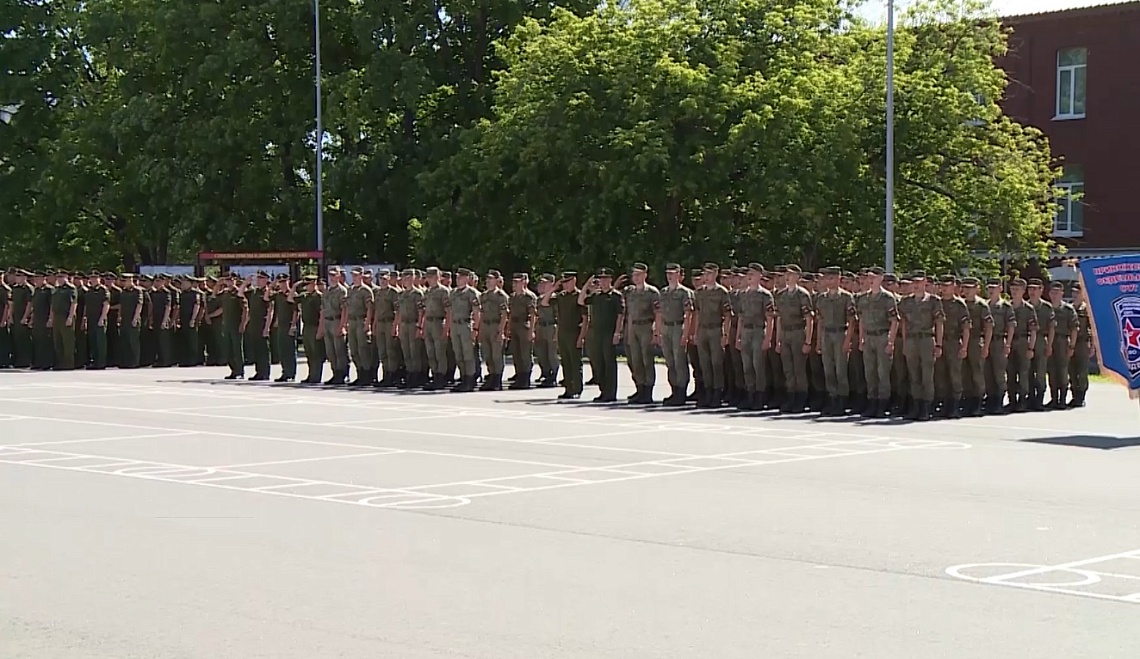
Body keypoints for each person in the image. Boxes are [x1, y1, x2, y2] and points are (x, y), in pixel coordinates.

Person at [898, 270, 944, 421]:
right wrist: (905, 342)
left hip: (926, 340)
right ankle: (916, 406)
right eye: (914, 282)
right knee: (914, 375)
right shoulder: (906, 301)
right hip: (911, 340)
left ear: (925, 282)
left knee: (927, 376)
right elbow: (903, 323)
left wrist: (938, 344)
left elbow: (939, 323)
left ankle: (926, 407)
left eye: (919, 282)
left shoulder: (933, 301)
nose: (916, 285)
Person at [857, 267, 900, 418]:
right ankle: (872, 402)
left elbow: (894, 321)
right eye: (869, 277)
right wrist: (861, 338)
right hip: (869, 337)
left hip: (882, 336)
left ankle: (882, 404)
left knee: (882, 373)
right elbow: (861, 320)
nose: (870, 280)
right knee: (870, 372)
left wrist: (891, 342)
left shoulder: (887, 298)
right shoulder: (863, 298)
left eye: (874, 277)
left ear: (881, 278)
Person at [814, 266, 857, 416]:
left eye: (832, 278)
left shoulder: (846, 297)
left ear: (839, 279)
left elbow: (852, 321)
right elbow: (820, 321)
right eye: (827, 278)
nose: (829, 281)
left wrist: (847, 340)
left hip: (840, 334)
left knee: (840, 370)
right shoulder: (821, 298)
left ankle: (842, 401)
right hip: (826, 334)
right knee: (828, 370)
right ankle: (832, 399)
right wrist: (819, 341)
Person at [774, 265, 814, 413]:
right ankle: (791, 396)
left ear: (797, 277)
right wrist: (778, 340)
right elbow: (779, 318)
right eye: (786, 274)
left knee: (799, 369)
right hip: (785, 333)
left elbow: (809, 319)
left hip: (798, 333)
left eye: (790, 275)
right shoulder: (781, 295)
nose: (787, 277)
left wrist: (807, 341)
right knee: (788, 369)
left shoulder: (802, 295)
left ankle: (801, 399)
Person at [580, 268, 624, 402]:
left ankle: (610, 393)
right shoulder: (596, 295)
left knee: (609, 362)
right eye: (601, 279)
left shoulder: (616, 295)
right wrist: (586, 285)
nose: (603, 282)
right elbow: (581, 301)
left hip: (609, 332)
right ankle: (603, 390)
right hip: (597, 333)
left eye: (606, 279)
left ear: (610, 280)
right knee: (599, 362)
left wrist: (617, 332)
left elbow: (620, 315)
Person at [736, 263, 775, 410]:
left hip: (758, 331)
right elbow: (740, 317)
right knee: (747, 366)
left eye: (752, 274)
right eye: (748, 274)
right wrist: (738, 336)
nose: (749, 277)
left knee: (758, 366)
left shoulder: (765, 295)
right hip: (746, 331)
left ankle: (760, 396)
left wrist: (768, 339)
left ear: (760, 276)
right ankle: (750, 394)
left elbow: (770, 319)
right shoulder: (743, 294)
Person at [623, 263, 661, 404]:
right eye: (634, 275)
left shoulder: (652, 292)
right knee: (635, 360)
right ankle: (640, 389)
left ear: (645, 275)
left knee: (647, 359)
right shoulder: (630, 293)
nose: (636, 277)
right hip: (634, 327)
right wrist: (628, 333)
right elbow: (629, 314)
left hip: (646, 326)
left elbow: (658, 313)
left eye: (639, 275)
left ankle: (648, 391)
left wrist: (656, 332)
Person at [933, 275, 970, 418]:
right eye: (942, 285)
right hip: (940, 342)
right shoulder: (937, 302)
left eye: (947, 285)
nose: (944, 288)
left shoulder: (959, 304)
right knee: (941, 375)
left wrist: (964, 347)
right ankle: (945, 405)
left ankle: (955, 406)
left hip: (954, 342)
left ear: (954, 286)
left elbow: (966, 327)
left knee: (955, 375)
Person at [658, 263, 695, 406]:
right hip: (666, 327)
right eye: (668, 273)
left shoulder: (684, 293)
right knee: (670, 361)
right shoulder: (664, 292)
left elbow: (688, 314)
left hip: (678, 327)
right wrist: (659, 331)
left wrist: (685, 334)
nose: (669, 276)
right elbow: (660, 313)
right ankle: (674, 390)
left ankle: (681, 391)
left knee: (679, 360)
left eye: (672, 273)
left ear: (679, 274)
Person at [547, 272, 585, 400]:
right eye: (563, 283)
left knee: (575, 362)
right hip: (563, 332)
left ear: (574, 281)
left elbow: (586, 318)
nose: (565, 285)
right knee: (566, 362)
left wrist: (581, 337)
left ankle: (577, 389)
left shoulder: (579, 295)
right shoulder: (561, 296)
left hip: (574, 332)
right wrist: (553, 288)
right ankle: (568, 388)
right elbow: (545, 302)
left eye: (567, 282)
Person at [959, 277, 993, 417]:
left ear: (976, 289)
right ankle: (968, 402)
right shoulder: (960, 303)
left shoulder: (981, 305)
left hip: (975, 341)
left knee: (977, 373)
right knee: (965, 374)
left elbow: (988, 327)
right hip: (961, 341)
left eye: (970, 288)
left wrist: (986, 346)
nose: (967, 291)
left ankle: (978, 403)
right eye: (965, 288)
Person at [983, 277, 1015, 414]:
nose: (991, 290)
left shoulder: (1005, 306)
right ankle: (991, 399)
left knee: (999, 373)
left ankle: (999, 401)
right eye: (989, 287)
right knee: (987, 373)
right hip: (986, 341)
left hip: (999, 341)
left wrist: (1008, 344)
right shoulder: (984, 305)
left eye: (994, 287)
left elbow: (1011, 326)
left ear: (1000, 289)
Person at [447, 267, 481, 392]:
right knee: (458, 354)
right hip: (455, 325)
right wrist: (449, 327)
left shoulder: (471, 293)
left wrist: (475, 329)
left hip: (466, 325)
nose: (458, 279)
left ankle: (470, 379)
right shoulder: (453, 293)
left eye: (461, 277)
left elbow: (477, 312)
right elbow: (450, 311)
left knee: (468, 354)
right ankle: (463, 377)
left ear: (467, 278)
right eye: (457, 277)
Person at [1006, 278, 1037, 412]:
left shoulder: (1028, 309)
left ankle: (1023, 400)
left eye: (1017, 289)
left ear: (1023, 291)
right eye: (1012, 289)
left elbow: (1033, 330)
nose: (1014, 292)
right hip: (1009, 342)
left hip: (1023, 341)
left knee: (1024, 373)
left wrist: (1031, 348)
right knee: (1010, 372)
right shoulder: (1007, 307)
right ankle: (1012, 400)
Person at [1046, 281, 1078, 408]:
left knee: (1063, 371)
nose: (1054, 295)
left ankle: (1062, 399)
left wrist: (1072, 346)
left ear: (1062, 294)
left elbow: (1074, 328)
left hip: (1063, 341)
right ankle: (1054, 398)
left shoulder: (1068, 309)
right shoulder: (1047, 308)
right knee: (1052, 371)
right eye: (1052, 292)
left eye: (1057, 293)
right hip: (1049, 341)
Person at [477, 270, 509, 391]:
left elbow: (504, 315)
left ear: (496, 280)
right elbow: (481, 313)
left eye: (491, 279)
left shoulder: (501, 296)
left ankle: (497, 379)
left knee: (496, 355)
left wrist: (501, 331)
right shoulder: (483, 296)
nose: (488, 281)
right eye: (487, 279)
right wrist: (479, 329)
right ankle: (491, 376)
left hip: (495, 326)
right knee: (487, 354)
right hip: (485, 325)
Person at [1026, 278, 1054, 411]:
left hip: (1041, 340)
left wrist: (1049, 345)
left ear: (1041, 290)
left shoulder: (1046, 307)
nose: (1032, 292)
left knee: (1041, 372)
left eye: (1035, 289)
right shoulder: (1025, 306)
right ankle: (1030, 398)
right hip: (1027, 340)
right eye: (1030, 289)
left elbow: (1051, 328)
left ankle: (1039, 399)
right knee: (1028, 371)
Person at [420, 267, 450, 389]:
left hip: (438, 322)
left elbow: (448, 311)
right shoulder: (427, 292)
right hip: (428, 323)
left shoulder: (443, 291)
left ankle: (441, 377)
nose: (429, 279)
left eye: (432, 277)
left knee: (439, 352)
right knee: (430, 352)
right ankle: (435, 374)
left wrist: (446, 328)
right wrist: (422, 327)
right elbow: (424, 311)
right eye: (428, 277)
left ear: (438, 277)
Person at [345, 267, 375, 386]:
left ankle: (366, 375)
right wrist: (346, 323)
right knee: (354, 349)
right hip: (352, 321)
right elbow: (347, 307)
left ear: (361, 276)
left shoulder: (366, 290)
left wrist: (367, 324)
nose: (354, 277)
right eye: (353, 275)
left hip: (361, 320)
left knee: (363, 349)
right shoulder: (351, 290)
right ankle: (359, 373)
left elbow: (369, 309)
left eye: (356, 275)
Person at [508, 273, 538, 389]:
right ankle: (519, 376)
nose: (514, 284)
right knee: (516, 353)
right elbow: (510, 314)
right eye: (514, 282)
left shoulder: (529, 297)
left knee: (525, 354)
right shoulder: (512, 297)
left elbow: (533, 315)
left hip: (524, 326)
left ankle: (525, 378)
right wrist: (508, 328)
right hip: (514, 326)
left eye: (517, 282)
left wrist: (531, 330)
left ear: (524, 282)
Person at [372, 270, 402, 387]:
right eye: (381, 279)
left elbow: (398, 311)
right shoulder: (378, 293)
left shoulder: (393, 292)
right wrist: (374, 324)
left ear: (389, 279)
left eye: (385, 279)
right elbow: (376, 310)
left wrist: (395, 326)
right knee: (382, 351)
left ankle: (392, 375)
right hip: (380, 323)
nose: (383, 281)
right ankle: (386, 374)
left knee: (390, 350)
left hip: (389, 322)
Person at [321, 267, 350, 385]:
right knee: (330, 351)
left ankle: (342, 374)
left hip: (337, 320)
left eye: (334, 275)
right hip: (327, 321)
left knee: (339, 350)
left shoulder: (342, 291)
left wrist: (342, 325)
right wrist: (322, 326)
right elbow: (323, 310)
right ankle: (335, 372)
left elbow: (345, 310)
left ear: (339, 276)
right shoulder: (326, 292)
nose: (332, 278)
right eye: (330, 275)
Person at [533, 274, 560, 388]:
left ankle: (553, 375)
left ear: (552, 284)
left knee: (551, 354)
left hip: (551, 326)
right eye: (541, 283)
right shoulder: (539, 298)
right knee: (541, 352)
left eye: (545, 283)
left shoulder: (555, 298)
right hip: (540, 327)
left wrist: (557, 332)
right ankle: (546, 373)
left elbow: (559, 316)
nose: (542, 285)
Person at [272, 273, 299, 382]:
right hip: (281, 325)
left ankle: (291, 373)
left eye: (284, 282)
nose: (282, 284)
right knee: (282, 350)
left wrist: (293, 325)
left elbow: (296, 311)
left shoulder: (292, 294)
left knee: (290, 350)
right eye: (280, 282)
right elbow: (267, 297)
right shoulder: (278, 295)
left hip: (289, 325)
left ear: (288, 282)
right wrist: (273, 284)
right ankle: (285, 372)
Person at [48, 271, 78, 370]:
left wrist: (70, 317)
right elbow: (53, 305)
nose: (59, 279)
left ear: (66, 277)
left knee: (67, 341)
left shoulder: (71, 288)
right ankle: (60, 363)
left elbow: (73, 304)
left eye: (62, 277)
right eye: (58, 277)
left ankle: (69, 363)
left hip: (65, 316)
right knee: (58, 341)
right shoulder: (56, 289)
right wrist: (51, 318)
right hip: (57, 317)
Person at [221, 276, 249, 380]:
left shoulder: (238, 293)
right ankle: (233, 370)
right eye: (227, 280)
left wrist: (243, 324)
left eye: (231, 280)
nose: (229, 282)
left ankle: (240, 371)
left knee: (237, 349)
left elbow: (245, 310)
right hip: (227, 324)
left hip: (236, 324)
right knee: (228, 349)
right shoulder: (225, 293)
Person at [1068, 282, 1091, 408]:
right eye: (1073, 292)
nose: (1075, 295)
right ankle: (1074, 395)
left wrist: (1092, 345)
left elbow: (1092, 329)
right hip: (1070, 343)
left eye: (1077, 292)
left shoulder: (1087, 309)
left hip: (1082, 342)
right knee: (1071, 370)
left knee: (1082, 371)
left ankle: (1081, 396)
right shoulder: (1069, 308)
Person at [83, 272, 110, 370]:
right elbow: (86, 305)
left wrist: (102, 318)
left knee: (100, 342)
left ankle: (101, 363)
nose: (93, 280)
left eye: (95, 278)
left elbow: (106, 305)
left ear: (99, 279)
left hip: (99, 318)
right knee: (93, 341)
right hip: (91, 319)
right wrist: (84, 318)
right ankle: (94, 362)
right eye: (92, 278)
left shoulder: (103, 290)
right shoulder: (89, 290)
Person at [117, 274, 144, 368]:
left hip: (133, 319)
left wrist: (135, 318)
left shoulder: (138, 291)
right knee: (125, 341)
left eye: (125, 281)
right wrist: (119, 316)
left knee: (133, 342)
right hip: (124, 319)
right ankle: (126, 362)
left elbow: (139, 305)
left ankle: (135, 362)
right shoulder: (123, 292)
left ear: (130, 280)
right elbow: (121, 305)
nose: (123, 283)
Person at [10, 269, 33, 367]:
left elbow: (30, 304)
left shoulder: (28, 288)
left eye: (19, 276)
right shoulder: (15, 288)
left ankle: (26, 360)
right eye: (16, 276)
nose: (17, 278)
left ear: (25, 277)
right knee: (17, 339)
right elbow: (12, 303)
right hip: (16, 316)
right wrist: (10, 316)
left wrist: (25, 317)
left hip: (23, 316)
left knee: (25, 339)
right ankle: (18, 360)